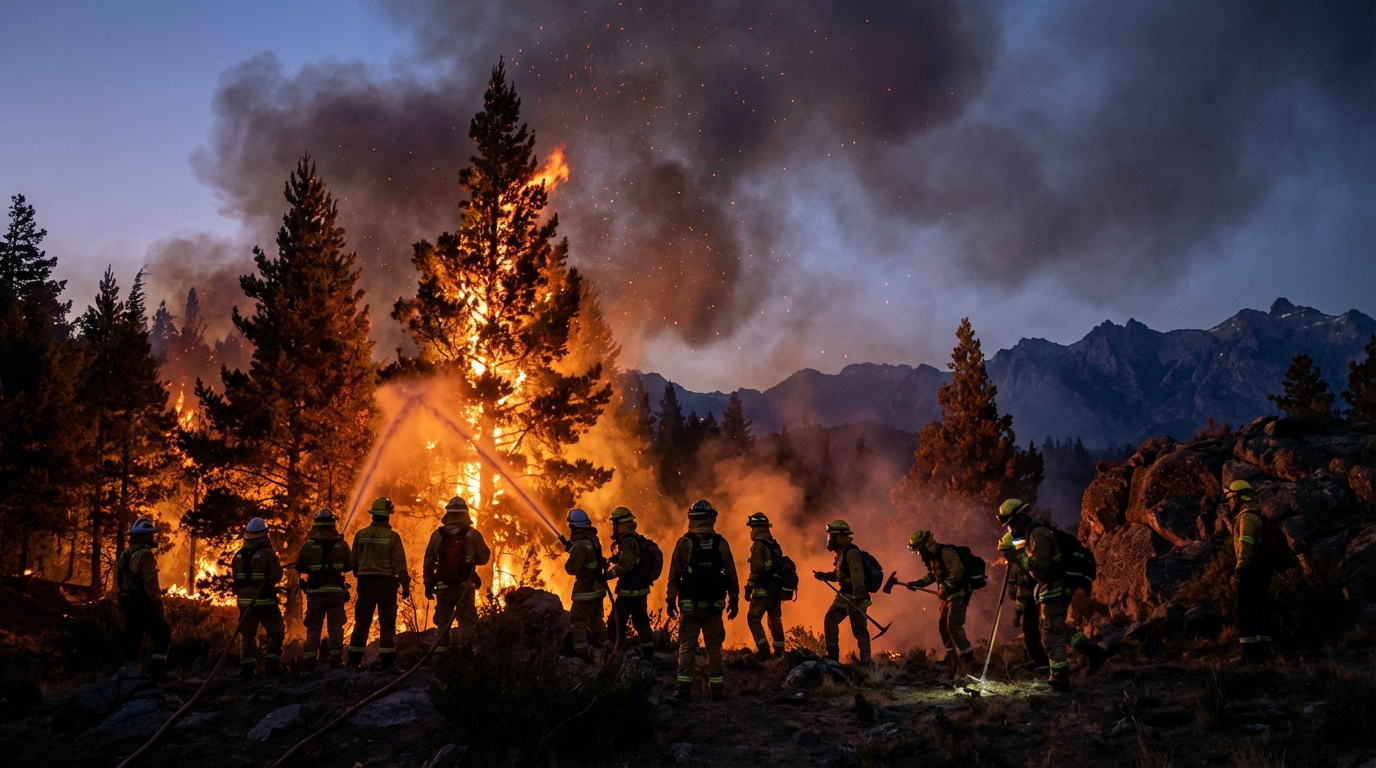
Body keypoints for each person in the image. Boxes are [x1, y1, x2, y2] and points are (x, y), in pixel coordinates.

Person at [997, 499, 1108, 692]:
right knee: (1058, 628)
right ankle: (1094, 653)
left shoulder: (1037, 534)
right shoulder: (1033, 533)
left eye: (1011, 524)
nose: (1011, 529)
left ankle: (1059, 679)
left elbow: (1041, 568)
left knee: (1051, 633)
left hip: (1056, 586)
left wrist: (1018, 557)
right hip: (1055, 586)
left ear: (1020, 518)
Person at [665, 500, 739, 700]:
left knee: (687, 647)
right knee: (714, 648)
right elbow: (731, 575)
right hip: (714, 607)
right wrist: (734, 600)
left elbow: (674, 575)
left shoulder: (684, 542)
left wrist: (670, 599)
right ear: (712, 518)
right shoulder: (721, 543)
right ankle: (716, 691)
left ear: (691, 519)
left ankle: (683, 690)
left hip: (689, 606)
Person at [348, 496, 411, 670]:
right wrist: (405, 585)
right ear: (388, 515)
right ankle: (388, 662)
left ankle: (353, 661)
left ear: (373, 514)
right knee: (387, 623)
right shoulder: (393, 537)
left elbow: (353, 563)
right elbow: (400, 566)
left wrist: (362, 575)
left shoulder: (360, 535)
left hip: (365, 584)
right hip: (386, 585)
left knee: (362, 622)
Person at [423, 497, 491, 654]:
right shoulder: (472, 534)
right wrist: (471, 558)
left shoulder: (437, 535)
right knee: (466, 621)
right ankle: (465, 655)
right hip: (465, 587)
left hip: (443, 587)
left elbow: (428, 561)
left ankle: (440, 656)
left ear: (448, 514)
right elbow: (484, 557)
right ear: (465, 513)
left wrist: (428, 584)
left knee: (443, 622)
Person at [294, 508, 354, 671]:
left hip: (315, 594)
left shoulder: (308, 546)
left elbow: (299, 566)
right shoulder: (341, 545)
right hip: (335, 594)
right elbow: (349, 566)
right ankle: (336, 660)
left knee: (313, 628)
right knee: (335, 627)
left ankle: (309, 662)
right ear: (333, 524)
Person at [907, 530, 974, 672]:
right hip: (947, 596)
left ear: (925, 546)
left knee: (953, 624)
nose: (919, 554)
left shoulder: (946, 553)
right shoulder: (933, 558)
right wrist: (919, 583)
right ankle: (951, 657)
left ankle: (968, 657)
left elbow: (957, 573)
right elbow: (933, 575)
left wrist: (945, 587)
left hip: (959, 594)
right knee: (942, 625)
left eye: (919, 551)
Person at [113, 517, 171, 679]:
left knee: (132, 637)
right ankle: (157, 673)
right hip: (143, 603)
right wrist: (157, 603)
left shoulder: (125, 554)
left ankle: (128, 673)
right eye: (150, 535)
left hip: (127, 602)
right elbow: (150, 582)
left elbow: (119, 580)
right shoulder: (145, 555)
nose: (152, 538)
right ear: (144, 537)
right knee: (162, 635)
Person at [813, 520, 872, 666]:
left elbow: (858, 577)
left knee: (859, 630)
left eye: (831, 536)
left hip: (855, 597)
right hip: (844, 595)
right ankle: (833, 659)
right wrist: (824, 576)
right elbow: (840, 575)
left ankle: (866, 663)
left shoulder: (852, 553)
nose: (829, 539)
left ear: (838, 536)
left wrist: (859, 598)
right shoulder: (841, 553)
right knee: (830, 620)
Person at [1226, 480, 1274, 663]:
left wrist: (1238, 572)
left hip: (1250, 568)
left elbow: (1245, 549)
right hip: (1263, 568)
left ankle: (1249, 654)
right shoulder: (1256, 515)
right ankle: (1264, 652)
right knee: (1261, 609)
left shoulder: (1246, 518)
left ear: (1239, 498)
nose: (1230, 503)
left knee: (1244, 611)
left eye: (1231, 498)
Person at [608, 506, 657, 660]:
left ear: (621, 524)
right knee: (641, 622)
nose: (613, 527)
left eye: (615, 523)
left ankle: (614, 653)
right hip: (640, 590)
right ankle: (648, 654)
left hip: (628, 592)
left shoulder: (627, 541)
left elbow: (627, 565)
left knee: (615, 623)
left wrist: (609, 574)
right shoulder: (637, 539)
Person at [563, 508, 608, 662]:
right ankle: (608, 649)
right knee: (596, 622)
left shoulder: (581, 545)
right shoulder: (593, 541)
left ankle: (581, 655)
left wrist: (573, 553)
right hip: (597, 588)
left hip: (585, 591)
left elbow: (571, 569)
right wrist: (573, 549)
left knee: (578, 623)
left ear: (574, 526)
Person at [744, 512, 788, 659]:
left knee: (753, 618)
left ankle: (763, 651)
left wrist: (749, 588)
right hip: (775, 591)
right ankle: (780, 651)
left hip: (762, 591)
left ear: (756, 527)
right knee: (775, 619)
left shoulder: (758, 545)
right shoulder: (775, 545)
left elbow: (756, 570)